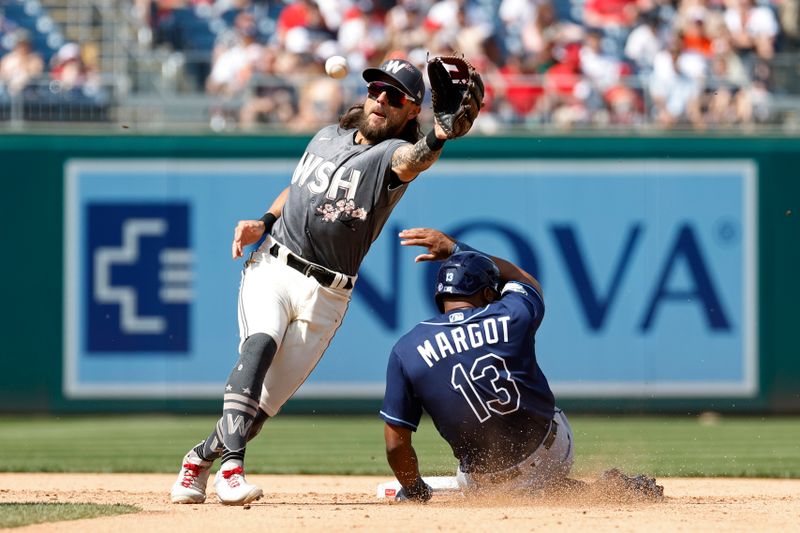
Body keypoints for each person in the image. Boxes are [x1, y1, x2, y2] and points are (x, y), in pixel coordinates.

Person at [170, 57, 482, 505]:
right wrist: (264, 220)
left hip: (328, 295)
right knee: (260, 344)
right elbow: (297, 189)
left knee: (259, 410)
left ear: (411, 110)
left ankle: (198, 460)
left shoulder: (388, 159)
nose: (379, 99)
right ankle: (232, 470)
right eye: (375, 89)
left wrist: (440, 133)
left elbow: (415, 159)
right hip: (274, 266)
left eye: (394, 96)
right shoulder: (325, 137)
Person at [379, 228, 664, 501]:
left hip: (484, 486)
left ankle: (558, 490)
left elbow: (396, 445)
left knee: (469, 473)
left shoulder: (406, 349)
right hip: (553, 452)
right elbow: (522, 279)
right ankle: (599, 491)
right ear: (489, 295)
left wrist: (415, 491)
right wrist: (455, 248)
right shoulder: (512, 313)